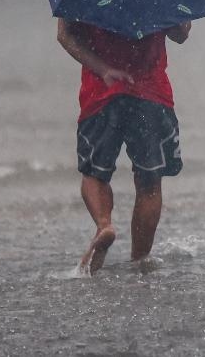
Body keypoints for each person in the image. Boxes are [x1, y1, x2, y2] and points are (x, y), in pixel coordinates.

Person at [56, 19, 191, 274]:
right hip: (150, 95)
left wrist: (103, 69)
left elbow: (65, 35)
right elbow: (180, 34)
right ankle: (139, 260)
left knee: (94, 174)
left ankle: (104, 225)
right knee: (149, 182)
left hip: (101, 92)